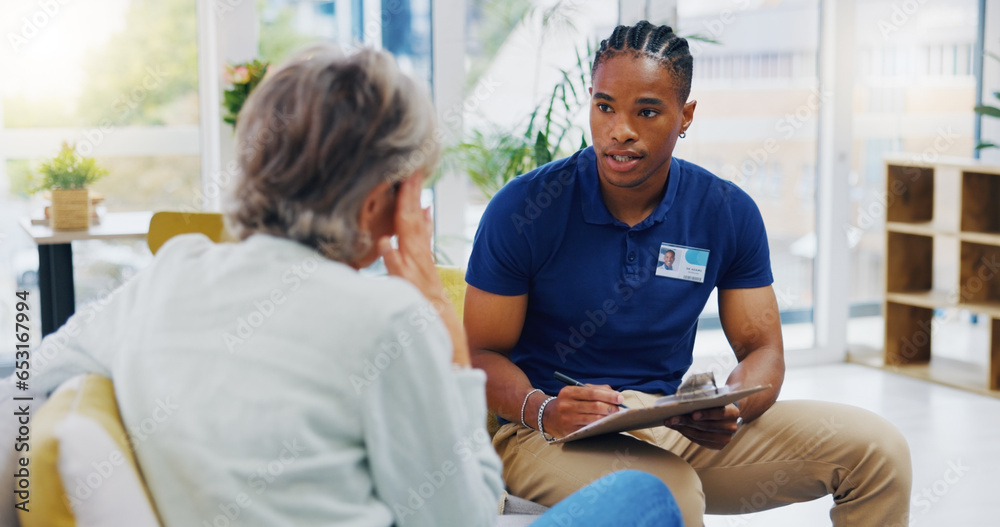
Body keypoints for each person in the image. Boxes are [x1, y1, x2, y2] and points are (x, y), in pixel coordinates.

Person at [0, 46, 683, 527]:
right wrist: (448, 340)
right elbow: (466, 517)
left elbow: (25, 374)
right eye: (414, 186)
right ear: (382, 200)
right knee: (646, 496)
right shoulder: (387, 319)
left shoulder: (171, 270)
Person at [465, 21, 912, 527]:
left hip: (668, 418)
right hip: (548, 432)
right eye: (605, 106)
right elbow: (479, 354)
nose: (620, 130)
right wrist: (541, 410)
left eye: (648, 111)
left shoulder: (725, 210)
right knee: (669, 491)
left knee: (880, 451)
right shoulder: (524, 209)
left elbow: (762, 351)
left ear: (686, 116)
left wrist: (729, 407)